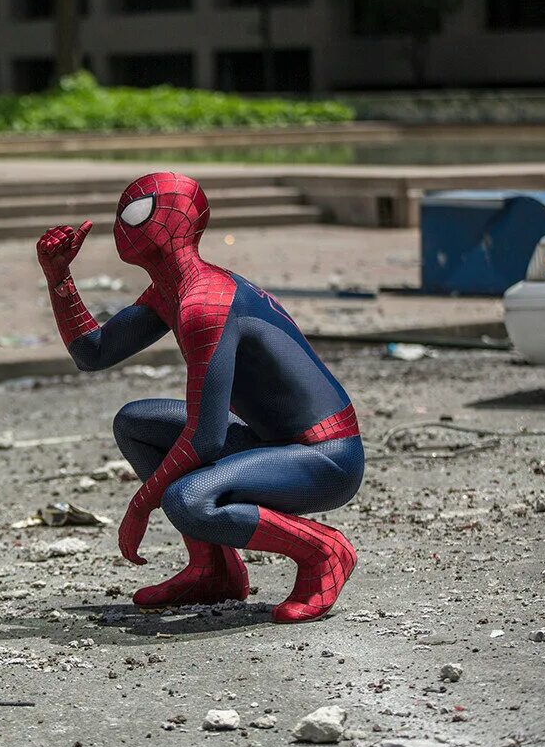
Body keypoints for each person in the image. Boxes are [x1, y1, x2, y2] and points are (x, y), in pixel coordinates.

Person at [37, 172, 364, 623]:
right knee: (136, 423)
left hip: (326, 457)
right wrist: (59, 277)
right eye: (121, 214)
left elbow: (205, 438)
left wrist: (141, 505)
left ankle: (322, 551)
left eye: (136, 213)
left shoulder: (203, 303)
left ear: (176, 222)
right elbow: (94, 353)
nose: (121, 228)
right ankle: (213, 570)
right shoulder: (171, 291)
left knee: (188, 499)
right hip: (275, 445)